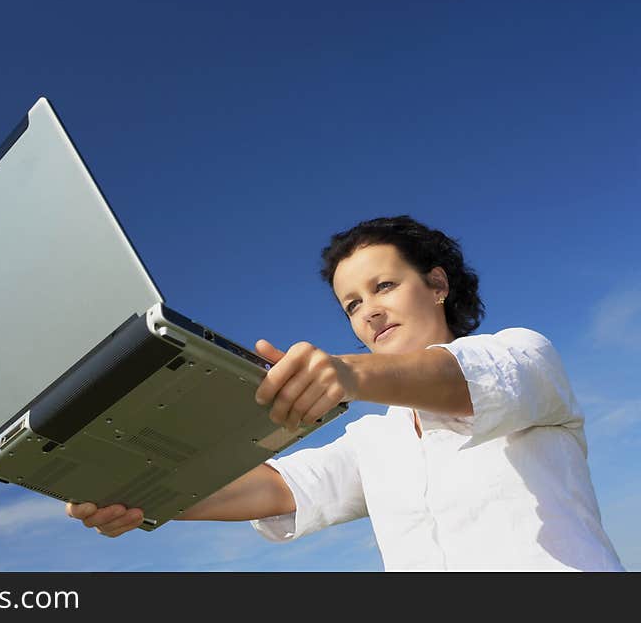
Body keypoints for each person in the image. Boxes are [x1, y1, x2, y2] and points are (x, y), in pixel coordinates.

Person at [65, 215, 624, 571]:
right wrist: (140, 495)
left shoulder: (526, 355)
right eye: (352, 305)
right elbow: (272, 491)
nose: (370, 309)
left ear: (436, 285)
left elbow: (464, 377)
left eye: (384, 286)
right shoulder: (374, 442)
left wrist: (349, 375)